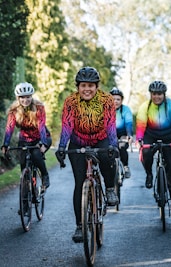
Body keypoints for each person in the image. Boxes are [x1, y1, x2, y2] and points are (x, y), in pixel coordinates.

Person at [55, 66, 119, 243]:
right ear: (78, 87)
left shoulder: (106, 100)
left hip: (100, 138)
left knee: (107, 156)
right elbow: (67, 126)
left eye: (91, 85)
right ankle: (80, 226)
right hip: (78, 141)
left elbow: (110, 125)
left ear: (97, 86)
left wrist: (113, 145)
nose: (87, 89)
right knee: (79, 182)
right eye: (83, 85)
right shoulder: (70, 102)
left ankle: (110, 188)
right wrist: (61, 147)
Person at [135, 80, 171, 216]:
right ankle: (149, 174)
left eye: (160, 94)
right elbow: (140, 124)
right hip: (151, 135)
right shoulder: (145, 106)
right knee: (146, 153)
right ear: (150, 94)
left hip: (169, 136)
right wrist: (139, 139)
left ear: (164, 94)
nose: (157, 97)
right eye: (154, 94)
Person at [1, 82, 51, 189]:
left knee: (37, 155)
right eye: (22, 97)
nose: (25, 100)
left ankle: (45, 175)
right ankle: (25, 195)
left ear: (31, 96)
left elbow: (41, 126)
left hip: (41, 138)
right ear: (18, 98)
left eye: (28, 97)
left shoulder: (39, 107)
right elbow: (9, 128)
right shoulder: (14, 110)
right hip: (25, 139)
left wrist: (43, 143)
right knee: (23, 164)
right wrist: (5, 144)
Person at [109, 87, 134, 178]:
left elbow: (128, 123)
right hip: (110, 133)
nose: (115, 101)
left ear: (122, 100)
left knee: (122, 147)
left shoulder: (125, 109)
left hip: (123, 133)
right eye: (113, 99)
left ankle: (125, 166)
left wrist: (129, 135)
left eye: (118, 99)